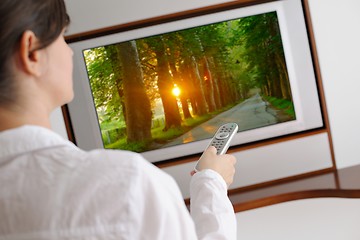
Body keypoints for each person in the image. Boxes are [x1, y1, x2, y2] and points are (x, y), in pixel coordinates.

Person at [0, 0, 237, 239]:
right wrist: (211, 183)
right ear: (32, 53)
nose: (69, 50)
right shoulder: (128, 185)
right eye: (63, 36)